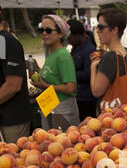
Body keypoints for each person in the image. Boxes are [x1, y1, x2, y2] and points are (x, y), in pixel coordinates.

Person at [29, 14, 80, 131]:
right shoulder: (52, 54)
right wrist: (37, 69)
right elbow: (54, 77)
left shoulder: (63, 56)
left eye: (48, 30)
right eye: (41, 30)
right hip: (50, 105)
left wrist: (44, 86)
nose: (44, 33)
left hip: (62, 109)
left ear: (61, 33)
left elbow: (71, 88)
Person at [90, 7, 127, 115]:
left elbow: (96, 91)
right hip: (124, 113)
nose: (98, 31)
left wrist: (93, 66)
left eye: (101, 27)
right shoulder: (126, 53)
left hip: (111, 117)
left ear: (114, 30)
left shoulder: (110, 58)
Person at [0, 14, 32, 143]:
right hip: (5, 118)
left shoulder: (5, 41)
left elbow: (13, 85)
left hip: (12, 121)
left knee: (14, 158)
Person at [68, 19, 97, 121]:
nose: (68, 41)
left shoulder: (89, 50)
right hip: (79, 96)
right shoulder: (76, 48)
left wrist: (69, 75)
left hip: (86, 98)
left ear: (78, 35)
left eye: (69, 38)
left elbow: (88, 74)